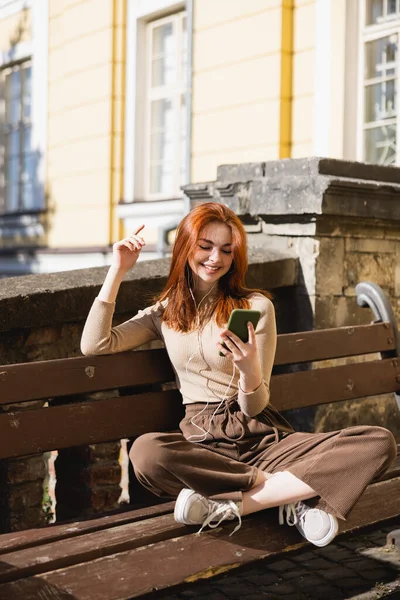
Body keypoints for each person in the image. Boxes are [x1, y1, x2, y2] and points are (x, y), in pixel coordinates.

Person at [81, 202, 396, 547]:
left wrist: (248, 371)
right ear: (186, 246)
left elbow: (254, 406)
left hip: (260, 436)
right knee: (145, 453)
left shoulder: (256, 307)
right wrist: (118, 270)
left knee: (377, 442)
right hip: (204, 445)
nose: (215, 258)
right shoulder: (165, 312)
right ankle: (288, 493)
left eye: (226, 250)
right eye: (205, 246)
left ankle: (236, 505)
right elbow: (95, 345)